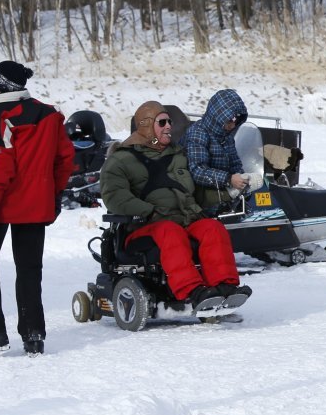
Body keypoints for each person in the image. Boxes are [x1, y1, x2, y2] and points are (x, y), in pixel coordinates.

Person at [0, 61, 74, 355]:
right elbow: (64, 160)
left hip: (1, 203)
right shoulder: (49, 114)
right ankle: (33, 333)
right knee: (29, 269)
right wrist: (54, 195)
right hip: (36, 203)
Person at [99, 102, 250, 313]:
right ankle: (193, 291)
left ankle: (225, 286)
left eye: (169, 121)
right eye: (162, 122)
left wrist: (228, 193)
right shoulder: (121, 160)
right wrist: (149, 211)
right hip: (143, 228)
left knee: (211, 228)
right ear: (146, 126)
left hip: (184, 220)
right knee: (170, 231)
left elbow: (195, 193)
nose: (169, 126)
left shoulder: (177, 155)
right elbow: (114, 197)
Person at [182, 88, 250, 211]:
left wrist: (243, 179)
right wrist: (228, 179)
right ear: (218, 117)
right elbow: (197, 171)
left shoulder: (226, 135)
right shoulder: (198, 133)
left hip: (222, 190)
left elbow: (234, 163)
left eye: (237, 120)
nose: (233, 125)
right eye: (230, 120)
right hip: (200, 196)